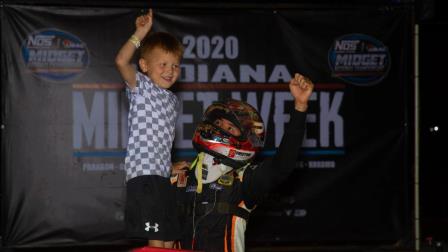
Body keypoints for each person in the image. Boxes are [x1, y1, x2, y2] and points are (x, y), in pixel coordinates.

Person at [171, 73, 314, 251]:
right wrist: (161, 171)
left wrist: (300, 107)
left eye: (229, 127)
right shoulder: (179, 177)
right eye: (218, 122)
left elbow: (282, 165)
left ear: (247, 140)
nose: (219, 128)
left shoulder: (245, 180)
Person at [115, 9, 184, 249]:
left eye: (175, 65)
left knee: (169, 238)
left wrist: (169, 166)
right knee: (156, 239)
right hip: (144, 175)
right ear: (144, 65)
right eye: (163, 63)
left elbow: (161, 143)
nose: (170, 70)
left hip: (161, 175)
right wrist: (140, 33)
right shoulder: (141, 87)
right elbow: (121, 61)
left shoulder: (172, 100)